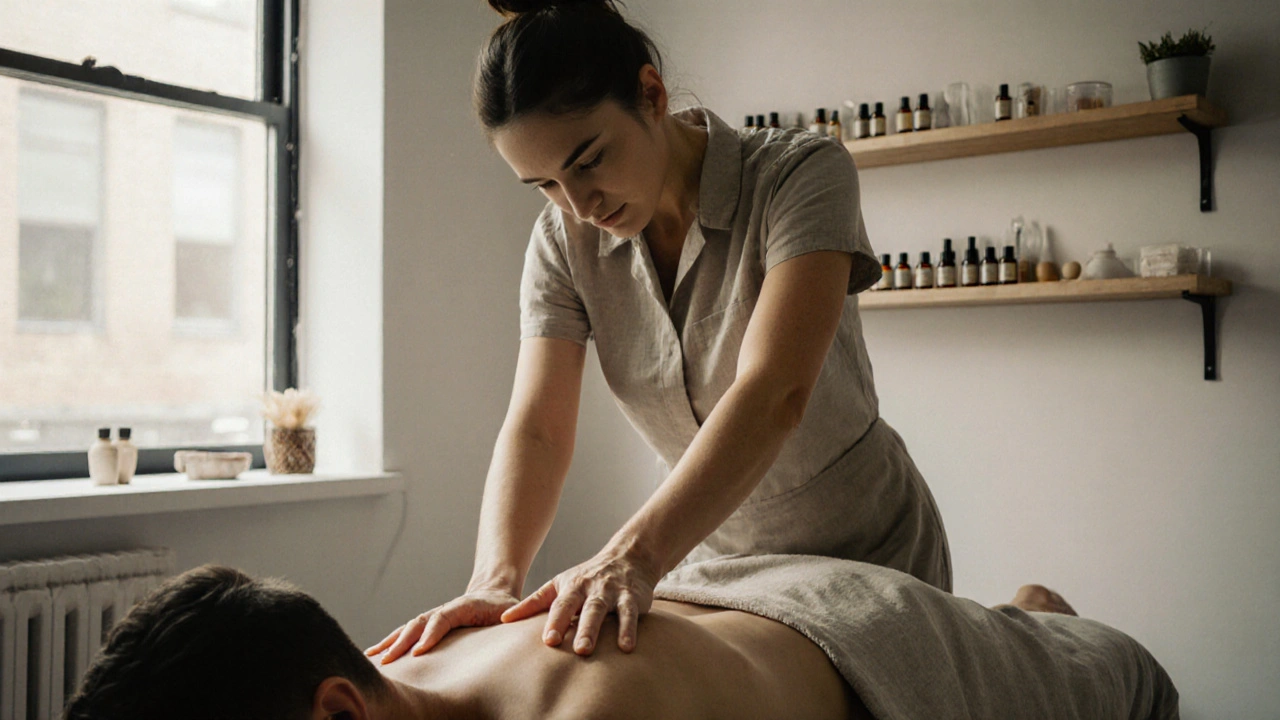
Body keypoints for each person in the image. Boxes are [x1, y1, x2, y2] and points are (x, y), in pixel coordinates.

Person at [371, 0, 949, 663]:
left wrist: (629, 556)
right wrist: (494, 580)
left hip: (869, 551)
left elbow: (774, 391)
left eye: (588, 160)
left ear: (650, 94)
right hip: (712, 562)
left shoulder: (799, 173)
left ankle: (1033, 609)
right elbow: (538, 426)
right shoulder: (563, 243)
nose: (579, 207)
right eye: (545, 186)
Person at [65, 564, 1177, 720]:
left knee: (1114, 677)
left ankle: (1037, 622)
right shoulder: (383, 669)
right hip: (724, 594)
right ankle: (1020, 610)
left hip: (861, 642)